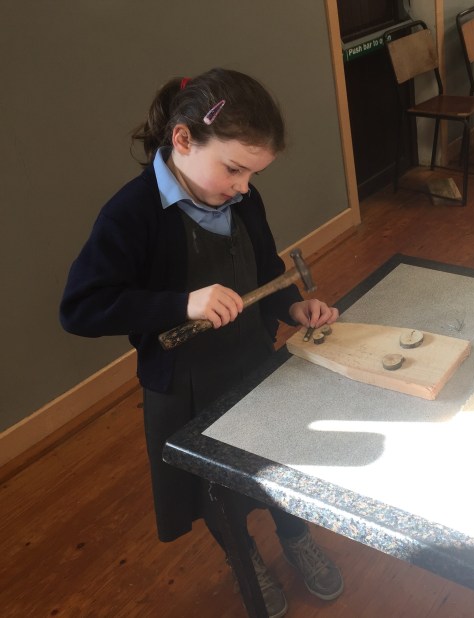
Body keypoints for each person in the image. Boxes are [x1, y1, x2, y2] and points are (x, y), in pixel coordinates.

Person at [60, 68, 343, 618]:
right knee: (217, 489)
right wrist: (179, 303)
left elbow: (265, 267)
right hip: (184, 387)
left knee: (277, 464)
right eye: (234, 169)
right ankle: (244, 556)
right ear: (183, 139)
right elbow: (80, 308)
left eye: (253, 174)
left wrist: (291, 307)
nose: (243, 187)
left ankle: (295, 534)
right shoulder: (132, 214)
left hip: (251, 360)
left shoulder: (243, 199)